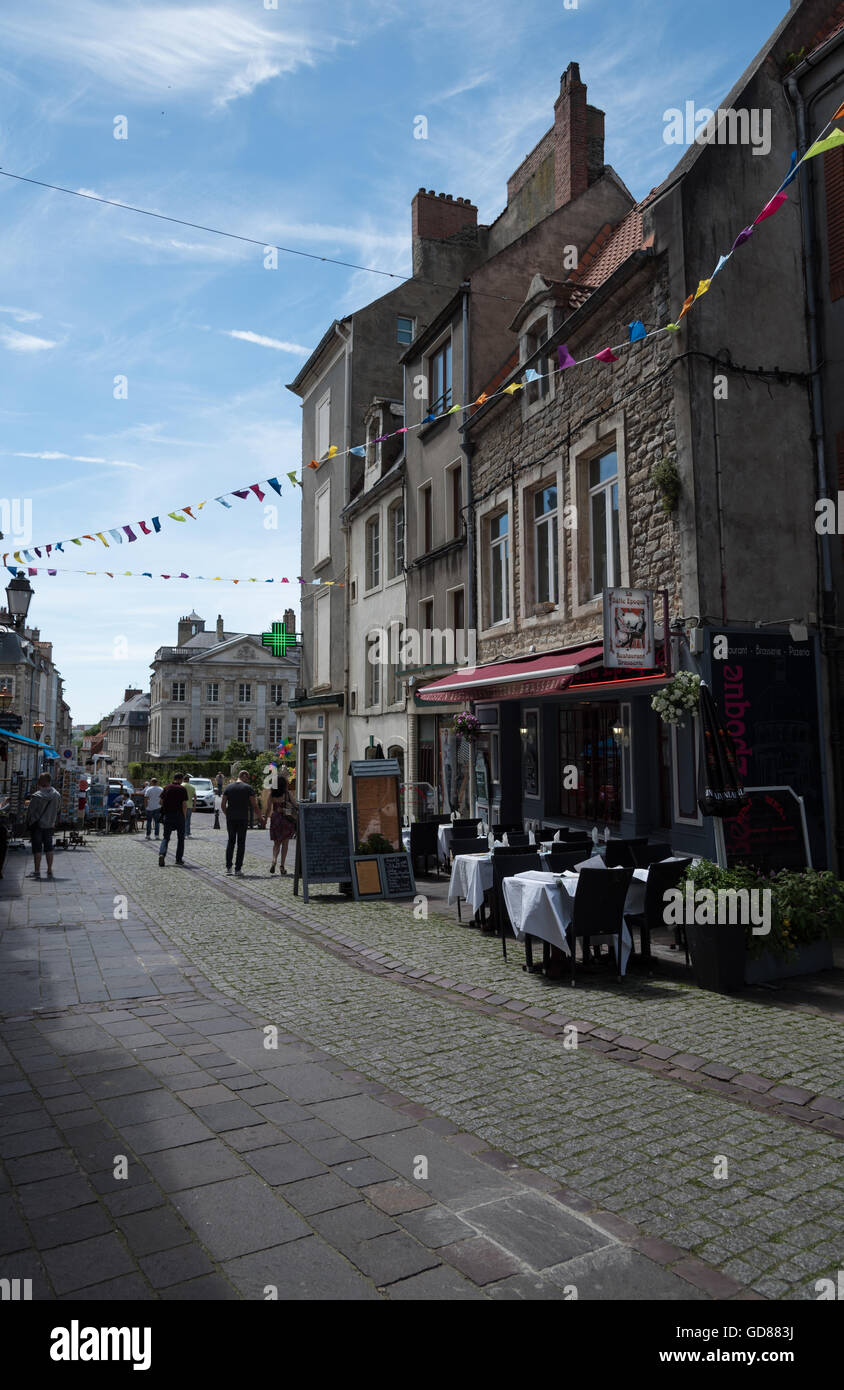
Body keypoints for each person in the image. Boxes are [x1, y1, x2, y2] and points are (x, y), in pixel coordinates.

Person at [221, 770, 263, 876]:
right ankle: (238, 869)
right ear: (245, 777)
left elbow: (223, 804)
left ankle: (228, 867)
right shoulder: (248, 788)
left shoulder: (228, 787)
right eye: (247, 778)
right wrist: (260, 817)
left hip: (231, 818)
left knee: (230, 842)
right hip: (243, 818)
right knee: (241, 843)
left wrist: (227, 814)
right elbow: (254, 805)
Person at [25, 772, 62, 879]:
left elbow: (30, 812)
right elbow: (58, 809)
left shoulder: (37, 796)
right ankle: (49, 869)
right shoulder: (57, 795)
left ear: (41, 782)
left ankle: (37, 871)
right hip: (49, 825)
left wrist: (28, 823)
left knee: (37, 848)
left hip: (37, 826)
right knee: (49, 847)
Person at [268, 774, 297, 875]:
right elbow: (296, 805)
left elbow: (268, 810)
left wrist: (263, 821)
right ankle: (282, 866)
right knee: (285, 843)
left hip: (275, 818)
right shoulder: (287, 794)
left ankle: (274, 860)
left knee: (276, 843)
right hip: (286, 820)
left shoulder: (271, 794)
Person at [158, 772, 187, 866]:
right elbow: (184, 805)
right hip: (179, 816)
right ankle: (178, 859)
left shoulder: (166, 788)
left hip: (168, 815)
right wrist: (184, 816)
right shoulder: (182, 789)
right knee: (180, 838)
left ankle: (162, 854)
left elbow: (160, 802)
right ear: (181, 779)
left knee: (166, 837)